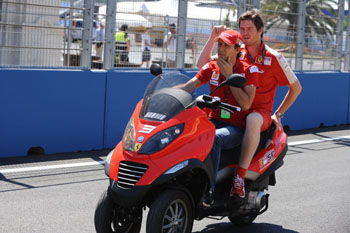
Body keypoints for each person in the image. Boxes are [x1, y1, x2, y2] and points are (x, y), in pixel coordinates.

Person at [196, 9, 302, 199]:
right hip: (234, 113)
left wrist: (278, 114)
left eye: (249, 29)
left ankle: (240, 177)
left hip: (257, 113)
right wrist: (213, 38)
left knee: (253, 119)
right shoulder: (235, 50)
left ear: (260, 30)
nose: (244, 33)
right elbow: (202, 66)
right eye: (241, 28)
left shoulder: (274, 57)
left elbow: (296, 88)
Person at [179, 29, 260, 207]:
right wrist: (166, 94)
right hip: (212, 121)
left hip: (235, 128)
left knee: (214, 138)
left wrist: (230, 76)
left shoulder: (249, 70)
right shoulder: (212, 66)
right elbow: (189, 85)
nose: (221, 49)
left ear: (238, 49)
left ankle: (208, 190)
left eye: (226, 46)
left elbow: (246, 104)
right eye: (220, 44)